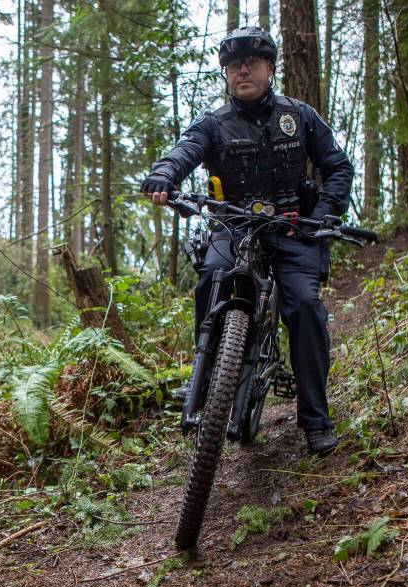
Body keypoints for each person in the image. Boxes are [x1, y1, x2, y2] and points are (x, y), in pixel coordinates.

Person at [140, 27, 354, 455]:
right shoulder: (213, 124)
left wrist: (323, 214)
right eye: (233, 65)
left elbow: (337, 166)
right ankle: (203, 382)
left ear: (270, 68)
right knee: (211, 279)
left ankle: (316, 418)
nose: (242, 70)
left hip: (295, 228)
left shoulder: (300, 115)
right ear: (225, 74)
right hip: (234, 226)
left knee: (305, 309)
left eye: (252, 63)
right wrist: (164, 176)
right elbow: (183, 151)